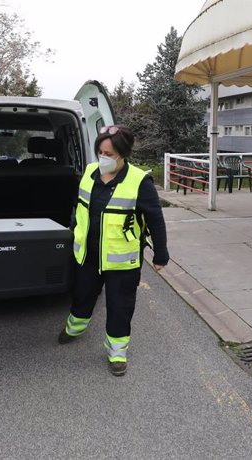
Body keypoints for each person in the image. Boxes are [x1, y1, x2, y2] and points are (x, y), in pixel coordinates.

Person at [57, 125, 169, 376]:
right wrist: (73, 233)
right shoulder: (89, 172)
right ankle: (74, 327)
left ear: (123, 154)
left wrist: (161, 255)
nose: (103, 158)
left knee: (120, 305)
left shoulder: (140, 181)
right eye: (100, 152)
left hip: (122, 260)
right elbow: (79, 208)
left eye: (109, 154)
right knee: (82, 294)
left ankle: (117, 351)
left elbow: (155, 220)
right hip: (88, 254)